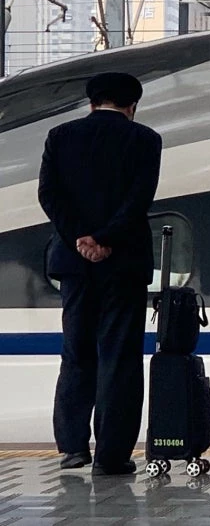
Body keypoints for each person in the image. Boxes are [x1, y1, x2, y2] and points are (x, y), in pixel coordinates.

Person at [38, 72, 162, 476]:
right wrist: (105, 239)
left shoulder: (60, 136)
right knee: (119, 358)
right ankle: (112, 455)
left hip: (75, 265)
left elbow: (49, 195)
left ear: (92, 102)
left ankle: (72, 448)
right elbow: (138, 199)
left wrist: (80, 238)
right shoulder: (145, 140)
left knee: (76, 352)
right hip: (123, 263)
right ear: (132, 105)